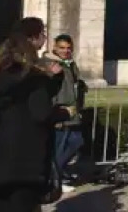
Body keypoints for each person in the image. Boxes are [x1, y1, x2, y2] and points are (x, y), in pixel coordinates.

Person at [0, 17, 70, 212]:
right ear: (33, 38)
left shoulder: (0, 72)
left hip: (0, 160)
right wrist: (64, 113)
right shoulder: (33, 76)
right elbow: (41, 112)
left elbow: (25, 98)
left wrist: (55, 79)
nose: (44, 37)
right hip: (26, 162)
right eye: (42, 34)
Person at [41, 34, 87, 193]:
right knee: (60, 147)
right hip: (60, 113)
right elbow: (47, 89)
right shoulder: (49, 64)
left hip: (73, 111)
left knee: (76, 141)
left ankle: (58, 174)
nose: (65, 51)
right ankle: (54, 179)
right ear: (54, 47)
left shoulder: (71, 64)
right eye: (62, 48)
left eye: (68, 48)